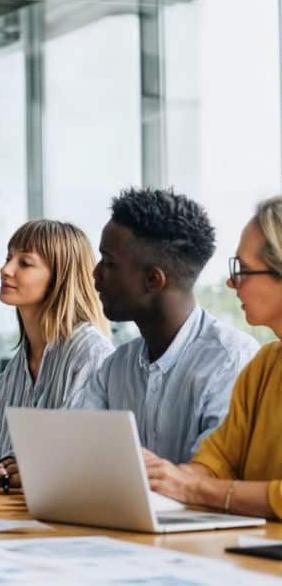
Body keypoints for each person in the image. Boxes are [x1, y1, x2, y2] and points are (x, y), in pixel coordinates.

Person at [70, 188, 260, 464]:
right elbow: (73, 450)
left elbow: (206, 480)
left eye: (109, 263)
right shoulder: (117, 366)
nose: (95, 274)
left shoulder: (231, 360)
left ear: (153, 280)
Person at [0, 220, 114, 488]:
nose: (5, 270)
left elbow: (88, 472)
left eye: (25, 263)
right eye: (8, 257)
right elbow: (8, 473)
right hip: (15, 522)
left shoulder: (91, 356)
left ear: (60, 277)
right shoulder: (11, 375)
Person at [145, 196, 282, 518]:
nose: (231, 282)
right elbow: (216, 461)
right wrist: (160, 477)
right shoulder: (264, 366)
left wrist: (194, 488)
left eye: (244, 269)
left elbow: (204, 485)